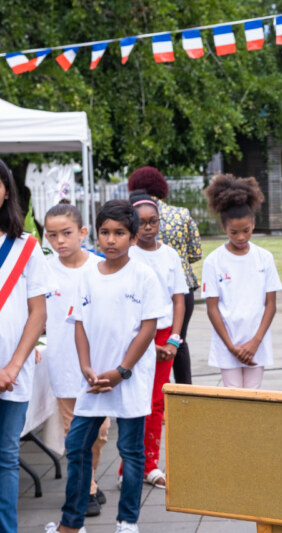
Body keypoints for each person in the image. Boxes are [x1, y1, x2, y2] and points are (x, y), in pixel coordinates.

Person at [46, 199, 167, 533]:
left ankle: (127, 522)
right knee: (76, 445)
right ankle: (72, 523)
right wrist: (86, 367)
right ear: (96, 235)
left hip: (128, 379)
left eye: (119, 233)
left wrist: (122, 371)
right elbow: (79, 324)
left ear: (133, 237)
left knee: (130, 451)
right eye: (105, 232)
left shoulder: (143, 275)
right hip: (94, 381)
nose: (111, 240)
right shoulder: (88, 275)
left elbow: (148, 329)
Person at [43, 203, 108, 517]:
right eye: (52, 235)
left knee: (100, 431)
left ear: (82, 232)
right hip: (63, 362)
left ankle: (89, 477)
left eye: (66, 233)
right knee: (74, 429)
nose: (60, 241)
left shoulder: (100, 268)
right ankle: (87, 488)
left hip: (99, 362)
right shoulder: (44, 271)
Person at [122, 191, 188, 489]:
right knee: (134, 401)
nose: (148, 227)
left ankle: (149, 465)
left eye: (154, 221)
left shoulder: (170, 255)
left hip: (164, 335)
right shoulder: (127, 255)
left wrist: (174, 339)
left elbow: (179, 300)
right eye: (142, 222)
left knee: (156, 401)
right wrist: (149, 345)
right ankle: (127, 467)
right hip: (135, 336)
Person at [0, 159, 50, 533]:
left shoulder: (26, 247)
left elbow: (38, 312)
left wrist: (13, 367)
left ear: (6, 190)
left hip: (12, 373)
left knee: (6, 456)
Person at [202, 175, 282, 389]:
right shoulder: (213, 261)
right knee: (232, 397)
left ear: (253, 224)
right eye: (234, 232)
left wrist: (255, 342)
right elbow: (212, 308)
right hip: (227, 344)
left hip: (258, 342)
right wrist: (231, 347)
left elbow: (271, 305)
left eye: (246, 230)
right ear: (223, 227)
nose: (240, 237)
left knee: (253, 396)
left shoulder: (264, 258)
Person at [127, 166, 202, 386]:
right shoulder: (181, 214)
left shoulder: (135, 216)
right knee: (179, 344)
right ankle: (184, 394)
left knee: (161, 362)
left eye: (153, 222)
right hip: (179, 288)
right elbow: (196, 253)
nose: (148, 227)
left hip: (164, 303)